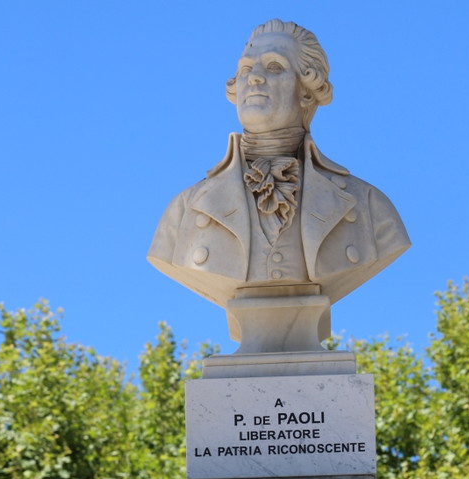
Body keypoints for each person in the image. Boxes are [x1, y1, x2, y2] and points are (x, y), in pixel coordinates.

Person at [148, 20, 410, 311]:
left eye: (274, 67)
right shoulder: (185, 210)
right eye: (245, 69)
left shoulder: (369, 207)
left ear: (307, 90)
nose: (254, 78)